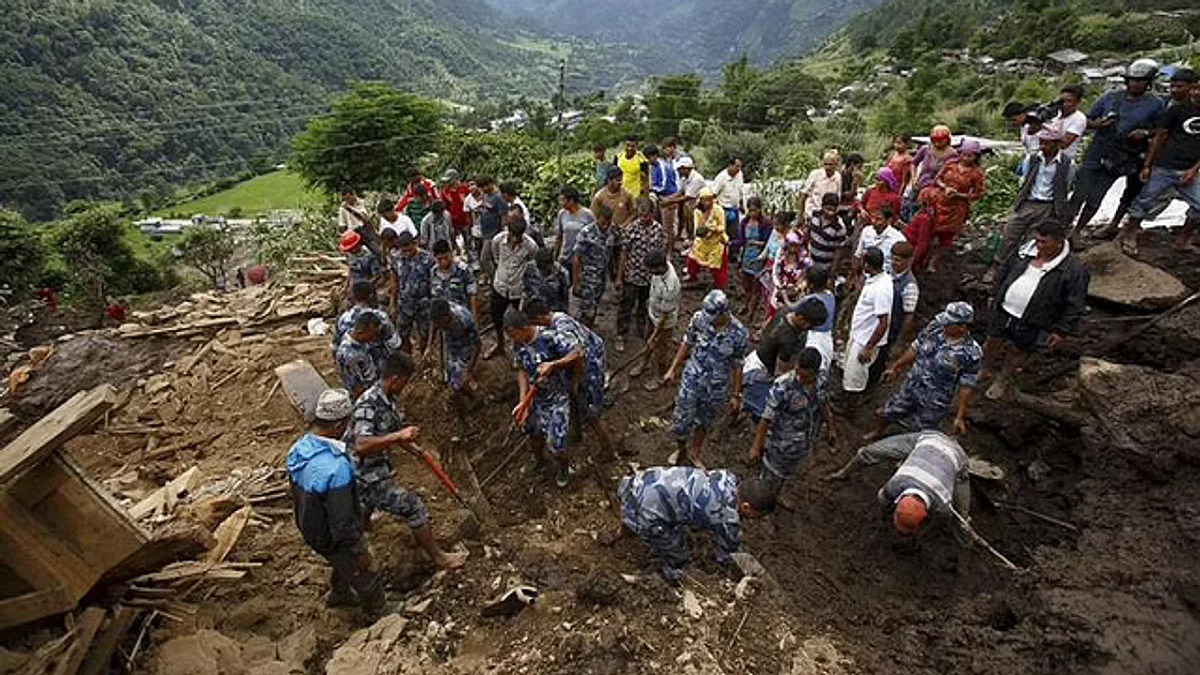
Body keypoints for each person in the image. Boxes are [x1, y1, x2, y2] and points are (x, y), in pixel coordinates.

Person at [351, 352, 468, 570]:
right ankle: (439, 557)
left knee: (365, 503)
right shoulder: (368, 404)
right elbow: (362, 444)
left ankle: (362, 527)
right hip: (364, 472)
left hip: (374, 468)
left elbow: (392, 431)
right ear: (395, 378)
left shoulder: (389, 401)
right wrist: (399, 437)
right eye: (404, 381)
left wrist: (416, 450)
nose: (406, 386)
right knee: (413, 506)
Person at [287, 388, 385, 612]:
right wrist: (357, 550)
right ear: (339, 426)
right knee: (366, 572)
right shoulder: (336, 468)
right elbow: (343, 522)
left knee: (339, 561)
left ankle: (339, 594)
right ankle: (378, 615)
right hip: (331, 534)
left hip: (309, 526)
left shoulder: (299, 449)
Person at [982, 221, 1088, 401]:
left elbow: (1074, 303)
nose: (1039, 245)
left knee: (1018, 349)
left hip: (1035, 318)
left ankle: (1003, 379)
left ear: (1059, 242)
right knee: (992, 340)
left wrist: (1062, 330)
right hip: (1004, 309)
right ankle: (984, 369)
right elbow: (1004, 272)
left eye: (1044, 242)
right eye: (1037, 240)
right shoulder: (1024, 253)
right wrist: (995, 293)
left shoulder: (1073, 271)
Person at [615, 467, 773, 584]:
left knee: (680, 519)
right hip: (645, 512)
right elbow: (728, 555)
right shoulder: (726, 518)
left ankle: (624, 528)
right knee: (679, 556)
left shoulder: (727, 476)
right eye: (757, 515)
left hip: (639, 482)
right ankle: (670, 578)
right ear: (745, 506)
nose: (755, 519)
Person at [1070, 59, 1166, 236]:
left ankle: (1082, 230)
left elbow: (1160, 131)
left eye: (1141, 81)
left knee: (1099, 196)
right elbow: (1084, 121)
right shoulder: (1110, 98)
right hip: (1098, 151)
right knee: (1080, 192)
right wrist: (1098, 124)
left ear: (1149, 83)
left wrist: (1144, 133)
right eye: (1132, 80)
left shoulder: (1156, 104)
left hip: (1126, 156)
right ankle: (1066, 229)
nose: (1136, 84)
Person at [824, 431, 971, 543]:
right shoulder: (895, 484)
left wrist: (919, 539)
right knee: (868, 452)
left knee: (961, 522)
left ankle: (964, 548)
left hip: (958, 457)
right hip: (927, 440)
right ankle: (843, 473)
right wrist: (882, 519)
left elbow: (936, 525)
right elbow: (883, 500)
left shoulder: (942, 507)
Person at [867, 302, 981, 441]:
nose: (944, 325)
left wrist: (960, 416)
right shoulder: (934, 329)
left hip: (935, 400)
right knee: (889, 412)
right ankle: (877, 433)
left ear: (962, 327)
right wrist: (896, 367)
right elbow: (915, 348)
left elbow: (966, 386)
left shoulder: (971, 353)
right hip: (912, 386)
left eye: (949, 324)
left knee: (923, 432)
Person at [1115, 67, 1200, 255]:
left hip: (1188, 170)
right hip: (1165, 166)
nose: (1175, 90)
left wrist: (1194, 170)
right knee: (1144, 202)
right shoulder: (1175, 110)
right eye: (1173, 86)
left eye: (1181, 87)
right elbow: (1158, 138)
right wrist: (1147, 165)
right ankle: (1129, 233)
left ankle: (1182, 239)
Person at [664, 290, 749, 469]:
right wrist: (673, 368)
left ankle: (695, 452)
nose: (708, 319)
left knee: (705, 420)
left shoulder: (739, 333)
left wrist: (736, 394)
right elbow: (687, 342)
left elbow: (738, 365)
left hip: (716, 386)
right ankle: (681, 449)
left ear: (724, 313)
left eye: (713, 316)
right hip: (692, 378)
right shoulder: (699, 319)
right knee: (681, 419)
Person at [525, 299, 615, 457]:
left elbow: (577, 354)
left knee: (592, 413)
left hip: (590, 367)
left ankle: (608, 450)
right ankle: (578, 430)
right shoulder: (557, 318)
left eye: (534, 322)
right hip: (589, 359)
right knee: (579, 403)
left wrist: (573, 378)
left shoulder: (562, 328)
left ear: (539, 317)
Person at [505, 309, 584, 488]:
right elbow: (522, 370)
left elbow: (577, 352)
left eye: (513, 334)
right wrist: (522, 401)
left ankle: (564, 467)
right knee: (532, 433)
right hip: (535, 398)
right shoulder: (518, 344)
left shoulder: (549, 338)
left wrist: (554, 365)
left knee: (556, 445)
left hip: (557, 398)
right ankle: (539, 462)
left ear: (524, 328)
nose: (512, 339)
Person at [991, 128, 1071, 278]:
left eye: (1047, 143)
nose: (1043, 146)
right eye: (1042, 143)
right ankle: (998, 266)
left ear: (1057, 144)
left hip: (1047, 206)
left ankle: (1019, 271)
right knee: (1009, 235)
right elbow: (1024, 179)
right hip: (1027, 203)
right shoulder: (1032, 159)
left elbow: (1066, 186)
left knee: (1032, 241)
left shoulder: (1066, 164)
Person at [748, 348, 824, 499]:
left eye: (806, 376)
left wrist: (831, 427)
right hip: (780, 443)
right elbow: (766, 418)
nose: (800, 378)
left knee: (785, 474)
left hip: (802, 442)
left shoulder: (821, 380)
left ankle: (775, 495)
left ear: (816, 372)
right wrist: (756, 446)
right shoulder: (783, 385)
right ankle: (762, 501)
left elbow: (823, 402)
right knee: (769, 475)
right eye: (798, 372)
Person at [741, 299, 828, 423]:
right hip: (760, 372)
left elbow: (767, 324)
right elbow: (780, 373)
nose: (810, 329)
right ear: (801, 318)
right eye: (810, 325)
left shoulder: (786, 311)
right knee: (765, 414)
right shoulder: (787, 339)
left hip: (759, 356)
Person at [616, 199, 666, 351]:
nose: (642, 218)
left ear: (652, 214)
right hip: (632, 274)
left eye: (646, 215)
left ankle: (641, 329)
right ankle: (621, 334)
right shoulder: (631, 229)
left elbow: (662, 253)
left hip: (649, 276)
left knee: (645, 304)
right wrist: (619, 276)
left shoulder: (658, 230)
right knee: (626, 304)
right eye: (640, 215)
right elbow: (624, 253)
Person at [929, 140, 986, 272]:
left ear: (976, 157)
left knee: (946, 238)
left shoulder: (976, 173)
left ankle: (934, 261)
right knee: (931, 230)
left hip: (957, 208)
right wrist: (945, 187)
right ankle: (924, 256)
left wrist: (959, 195)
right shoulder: (950, 164)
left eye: (970, 156)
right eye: (964, 154)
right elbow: (938, 179)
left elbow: (978, 193)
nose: (966, 158)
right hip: (940, 202)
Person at [485, 218, 539, 359]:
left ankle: (518, 352)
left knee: (518, 322)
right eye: (513, 235)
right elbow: (495, 257)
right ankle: (500, 344)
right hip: (500, 286)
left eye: (518, 236)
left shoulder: (530, 246)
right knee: (496, 317)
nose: (515, 239)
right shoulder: (497, 240)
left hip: (518, 290)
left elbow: (531, 264)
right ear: (508, 230)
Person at [868, 241, 919, 387]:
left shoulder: (910, 286)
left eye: (898, 260)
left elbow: (909, 316)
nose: (894, 263)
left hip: (890, 331)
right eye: (892, 258)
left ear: (909, 260)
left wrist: (899, 341)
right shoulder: (887, 274)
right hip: (875, 325)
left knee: (877, 360)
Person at [843, 247, 892, 396]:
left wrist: (869, 347)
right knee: (849, 372)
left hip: (865, 341)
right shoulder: (875, 280)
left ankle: (851, 408)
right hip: (860, 335)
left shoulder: (881, 289)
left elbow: (884, 321)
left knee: (855, 378)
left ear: (867, 265)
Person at [637, 250, 682, 390]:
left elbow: (664, 316)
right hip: (652, 314)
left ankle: (660, 376)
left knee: (661, 350)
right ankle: (643, 364)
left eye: (651, 270)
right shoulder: (662, 267)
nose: (650, 273)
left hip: (664, 323)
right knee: (647, 341)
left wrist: (655, 334)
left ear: (659, 268)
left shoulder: (671, 285)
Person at [388, 232, 435, 354]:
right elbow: (394, 282)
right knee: (403, 334)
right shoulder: (397, 258)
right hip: (404, 303)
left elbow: (434, 282)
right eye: (404, 251)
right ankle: (407, 361)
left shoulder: (428, 259)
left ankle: (424, 361)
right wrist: (392, 303)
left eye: (409, 250)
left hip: (424, 304)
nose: (406, 253)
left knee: (424, 334)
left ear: (415, 243)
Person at [426, 298, 481, 400]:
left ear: (446, 317)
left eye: (439, 322)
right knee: (453, 378)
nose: (437, 325)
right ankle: (462, 393)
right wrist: (429, 346)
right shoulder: (438, 314)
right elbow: (433, 324)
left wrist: (469, 370)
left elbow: (478, 345)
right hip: (451, 346)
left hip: (465, 348)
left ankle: (475, 399)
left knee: (459, 383)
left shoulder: (465, 320)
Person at [573, 205, 615, 328]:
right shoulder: (586, 232)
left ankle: (589, 328)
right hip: (588, 277)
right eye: (603, 222)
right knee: (586, 309)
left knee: (595, 305)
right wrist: (576, 282)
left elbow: (616, 250)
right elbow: (577, 258)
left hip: (602, 277)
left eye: (608, 222)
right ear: (597, 219)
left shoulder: (612, 231)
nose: (605, 226)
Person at [333, 280, 401, 355]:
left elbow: (335, 346)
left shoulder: (343, 318)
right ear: (371, 295)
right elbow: (395, 344)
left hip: (351, 360)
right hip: (377, 363)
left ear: (353, 296)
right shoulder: (380, 316)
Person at [734, 197, 772, 325]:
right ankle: (745, 304)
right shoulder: (744, 222)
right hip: (746, 256)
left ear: (760, 210)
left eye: (754, 210)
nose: (752, 213)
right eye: (750, 210)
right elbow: (741, 240)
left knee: (757, 287)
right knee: (746, 284)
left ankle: (752, 312)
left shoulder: (766, 224)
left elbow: (768, 242)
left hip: (759, 256)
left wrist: (755, 243)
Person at [684, 188, 730, 288]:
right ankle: (691, 275)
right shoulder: (697, 211)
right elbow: (697, 228)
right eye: (704, 200)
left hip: (716, 240)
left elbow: (722, 227)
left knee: (718, 264)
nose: (707, 202)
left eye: (709, 200)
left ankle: (720, 283)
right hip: (703, 240)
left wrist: (713, 229)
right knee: (693, 258)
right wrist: (704, 231)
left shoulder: (718, 210)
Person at [336, 312, 387, 400]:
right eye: (372, 335)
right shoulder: (350, 356)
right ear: (361, 332)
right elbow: (357, 389)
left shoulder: (354, 335)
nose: (374, 338)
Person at [767, 231, 810, 326]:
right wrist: (779, 286)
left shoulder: (804, 260)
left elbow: (803, 277)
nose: (793, 247)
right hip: (779, 290)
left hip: (793, 295)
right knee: (772, 313)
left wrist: (796, 288)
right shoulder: (781, 253)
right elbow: (775, 271)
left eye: (795, 245)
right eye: (791, 244)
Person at [853, 203, 906, 278]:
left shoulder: (898, 239)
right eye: (872, 218)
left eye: (878, 219)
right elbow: (858, 255)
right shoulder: (866, 231)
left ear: (889, 220)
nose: (874, 221)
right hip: (866, 278)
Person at [429, 239, 479, 318]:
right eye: (439, 259)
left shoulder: (463, 270)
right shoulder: (433, 272)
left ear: (451, 253)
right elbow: (434, 297)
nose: (443, 262)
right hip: (442, 318)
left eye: (446, 258)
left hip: (461, 316)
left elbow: (472, 295)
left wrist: (474, 317)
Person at [552, 186, 595, 265]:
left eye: (563, 200)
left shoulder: (587, 214)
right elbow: (559, 237)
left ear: (571, 200)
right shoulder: (562, 214)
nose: (560, 203)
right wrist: (555, 256)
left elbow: (594, 236)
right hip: (565, 258)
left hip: (582, 259)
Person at [668, 156, 706, 244]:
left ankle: (692, 240)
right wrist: (668, 198)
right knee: (684, 214)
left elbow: (687, 196)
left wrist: (669, 201)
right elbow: (680, 192)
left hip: (699, 206)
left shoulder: (697, 179)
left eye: (680, 169)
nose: (678, 171)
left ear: (686, 168)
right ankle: (685, 236)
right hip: (690, 205)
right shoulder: (684, 178)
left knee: (694, 224)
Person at [645, 144, 679, 244]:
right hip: (658, 196)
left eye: (649, 157)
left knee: (667, 227)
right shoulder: (652, 166)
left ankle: (669, 253)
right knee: (657, 224)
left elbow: (663, 185)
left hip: (668, 197)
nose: (648, 160)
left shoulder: (663, 166)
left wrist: (652, 189)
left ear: (654, 156)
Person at [806, 193, 849, 270]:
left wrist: (833, 270)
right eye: (828, 209)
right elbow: (808, 233)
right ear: (822, 206)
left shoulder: (839, 228)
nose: (830, 213)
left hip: (826, 267)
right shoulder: (814, 216)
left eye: (833, 210)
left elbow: (838, 251)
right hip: (810, 261)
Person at [911, 126, 958, 195]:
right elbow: (913, 163)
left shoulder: (953, 154)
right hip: (922, 183)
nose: (937, 144)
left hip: (941, 186)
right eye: (934, 141)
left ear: (947, 139)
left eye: (940, 141)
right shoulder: (925, 149)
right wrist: (914, 178)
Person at [523, 247, 571, 313]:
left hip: (552, 310)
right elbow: (526, 287)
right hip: (534, 308)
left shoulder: (562, 274)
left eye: (545, 269)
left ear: (551, 264)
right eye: (540, 269)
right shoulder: (530, 268)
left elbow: (564, 298)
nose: (542, 272)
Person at [477, 177, 508, 280]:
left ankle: (496, 281)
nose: (484, 189)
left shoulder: (498, 197)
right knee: (492, 260)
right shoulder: (486, 196)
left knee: (484, 259)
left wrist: (501, 233)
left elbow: (503, 216)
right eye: (481, 187)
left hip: (494, 234)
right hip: (485, 232)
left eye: (485, 186)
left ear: (491, 184)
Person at [711, 158, 746, 248]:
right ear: (730, 166)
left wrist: (742, 205)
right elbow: (713, 194)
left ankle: (732, 254)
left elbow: (740, 191)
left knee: (734, 233)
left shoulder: (739, 175)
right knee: (722, 233)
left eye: (740, 167)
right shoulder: (721, 177)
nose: (738, 169)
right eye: (736, 166)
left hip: (735, 209)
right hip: (723, 209)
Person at [800, 151, 843, 220]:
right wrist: (800, 216)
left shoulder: (838, 177)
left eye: (830, 164)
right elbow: (803, 195)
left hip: (828, 214)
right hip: (812, 212)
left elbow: (838, 197)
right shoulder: (815, 174)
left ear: (836, 165)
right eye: (825, 164)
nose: (827, 167)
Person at [1051, 84, 1088, 163]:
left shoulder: (1079, 118)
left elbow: (1064, 144)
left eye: (1069, 101)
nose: (1065, 104)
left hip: (1063, 162)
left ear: (1078, 102)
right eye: (1063, 101)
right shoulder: (1054, 113)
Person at [340, 230, 380, 296]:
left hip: (367, 289)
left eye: (351, 249)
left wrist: (365, 287)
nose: (350, 251)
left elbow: (376, 275)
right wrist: (346, 286)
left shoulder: (370, 256)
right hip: (354, 288)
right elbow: (351, 271)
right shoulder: (350, 255)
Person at [439, 169, 471, 248]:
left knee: (468, 241)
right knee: (454, 242)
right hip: (453, 222)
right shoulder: (444, 192)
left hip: (465, 221)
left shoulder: (464, 189)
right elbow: (444, 207)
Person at [887, 135, 915, 210]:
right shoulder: (892, 155)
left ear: (906, 144)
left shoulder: (907, 159)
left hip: (897, 188)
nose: (896, 145)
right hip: (887, 187)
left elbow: (904, 181)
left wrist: (899, 195)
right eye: (895, 143)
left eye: (899, 143)